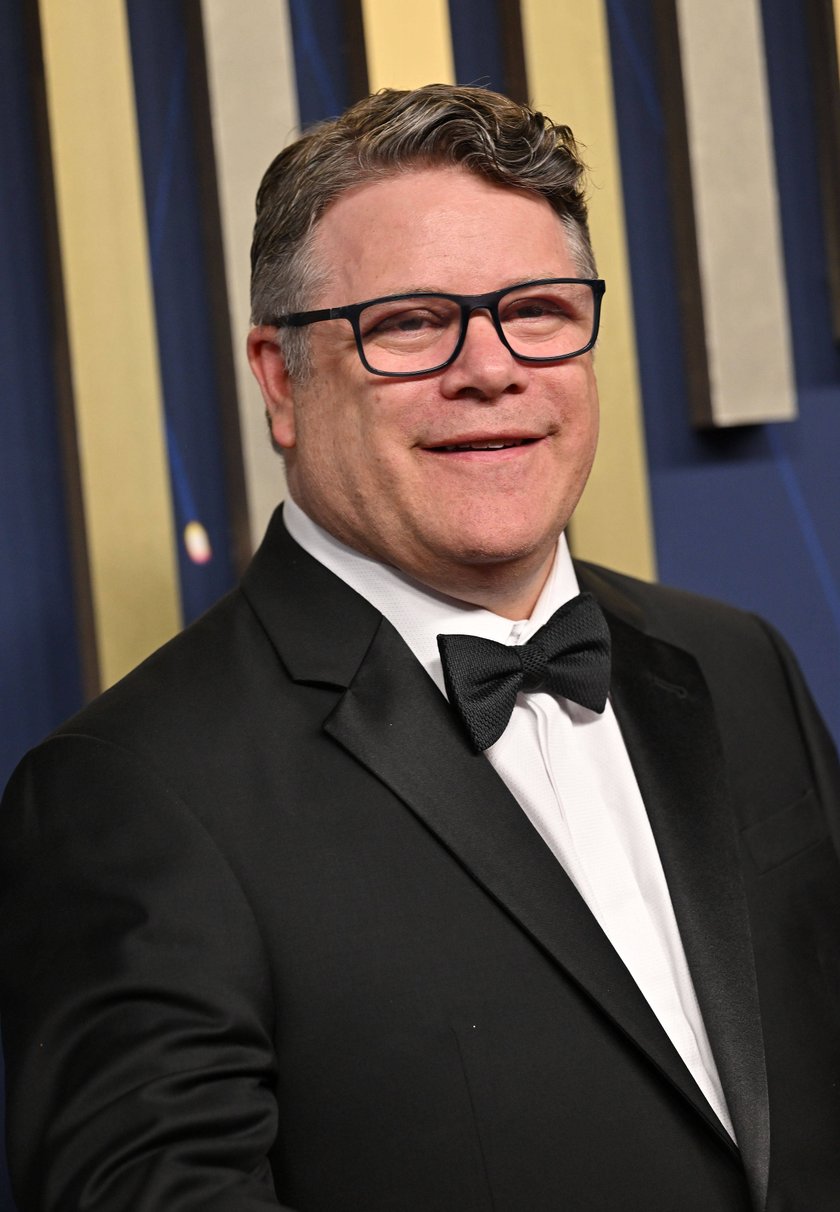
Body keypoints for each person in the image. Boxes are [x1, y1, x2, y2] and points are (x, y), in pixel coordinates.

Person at [1, 84, 839, 1212]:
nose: (490, 368)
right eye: (409, 323)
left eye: (536, 308)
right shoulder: (131, 796)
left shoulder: (737, 663)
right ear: (280, 379)